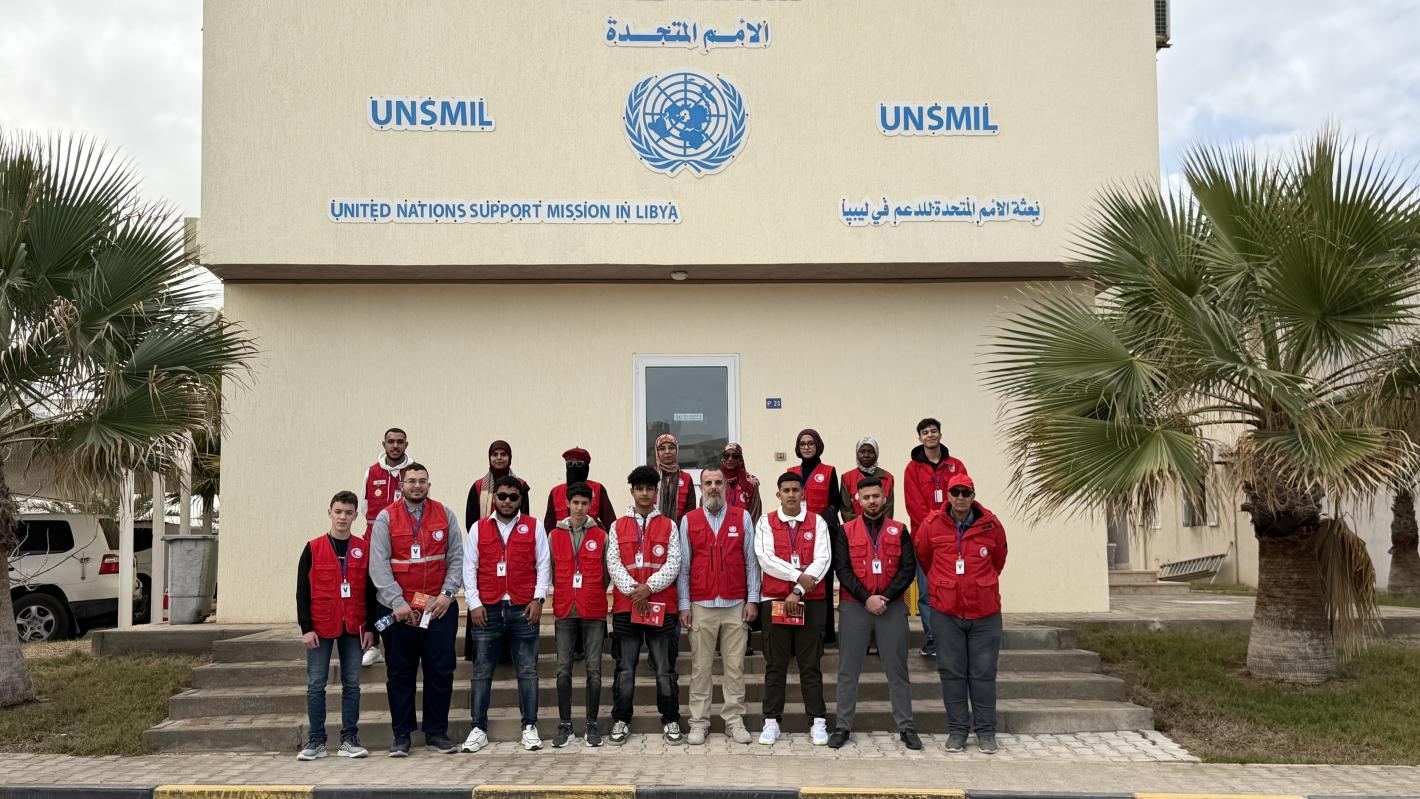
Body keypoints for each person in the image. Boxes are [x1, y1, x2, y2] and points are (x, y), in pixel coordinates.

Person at [366, 463, 463, 757]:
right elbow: (378, 566)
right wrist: (398, 604)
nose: (417, 486)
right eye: (411, 481)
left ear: (429, 485)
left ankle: (436, 732)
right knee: (400, 673)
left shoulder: (445, 514)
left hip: (438, 609)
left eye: (422, 481)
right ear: (401, 486)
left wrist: (447, 595)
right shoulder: (386, 518)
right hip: (400, 612)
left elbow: (457, 557)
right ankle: (402, 735)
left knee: (440, 671)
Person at [915, 474, 1006, 755]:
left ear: (973, 494)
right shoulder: (931, 525)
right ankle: (957, 731)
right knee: (952, 674)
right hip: (947, 612)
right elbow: (925, 558)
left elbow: (998, 559)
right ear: (948, 494)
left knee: (983, 674)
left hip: (984, 613)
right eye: (955, 492)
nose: (960, 498)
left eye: (966, 492)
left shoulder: (991, 525)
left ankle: (986, 732)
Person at [828, 477, 920, 750]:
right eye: (866, 497)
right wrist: (867, 598)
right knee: (847, 671)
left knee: (898, 670)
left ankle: (906, 727)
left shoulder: (899, 529)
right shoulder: (846, 531)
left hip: (891, 607)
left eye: (876, 496)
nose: (872, 501)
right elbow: (842, 569)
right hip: (856, 606)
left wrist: (886, 597)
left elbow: (908, 568)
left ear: (884, 498)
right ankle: (843, 726)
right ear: (858, 500)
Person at [460, 476, 550, 754]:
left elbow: (544, 565)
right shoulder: (478, 528)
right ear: (494, 498)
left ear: (521, 499)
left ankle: (529, 727)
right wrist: (473, 604)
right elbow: (469, 567)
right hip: (488, 609)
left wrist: (539, 600)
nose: (507, 501)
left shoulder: (534, 527)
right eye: (502, 496)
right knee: (481, 671)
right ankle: (478, 729)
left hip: (523, 609)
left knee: (527, 671)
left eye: (513, 497)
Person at [676, 469, 760, 745]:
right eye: (708, 483)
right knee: (701, 668)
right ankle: (699, 722)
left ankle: (734, 721)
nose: (713, 487)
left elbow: (751, 562)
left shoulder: (742, 516)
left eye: (718, 483)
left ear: (726, 486)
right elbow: (685, 566)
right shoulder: (689, 520)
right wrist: (684, 604)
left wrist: (752, 599)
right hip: (701, 604)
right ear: (700, 487)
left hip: (735, 603)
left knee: (734, 667)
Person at [605, 465, 684, 746]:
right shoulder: (617, 526)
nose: (645, 493)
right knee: (625, 668)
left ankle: (671, 719)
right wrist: (634, 591)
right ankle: (621, 720)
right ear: (632, 491)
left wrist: (647, 588)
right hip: (628, 608)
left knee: (664, 668)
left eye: (650, 488)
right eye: (640, 488)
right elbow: (613, 563)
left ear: (656, 491)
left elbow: (674, 563)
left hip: (660, 607)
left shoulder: (669, 525)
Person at [753, 471, 831, 747]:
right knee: (775, 665)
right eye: (785, 490)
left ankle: (818, 721)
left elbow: (823, 558)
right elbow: (766, 558)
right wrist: (798, 577)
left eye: (795, 490)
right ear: (778, 494)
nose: (790, 494)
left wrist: (798, 590)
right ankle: (771, 721)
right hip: (774, 601)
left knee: (811, 665)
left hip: (810, 601)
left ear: (803, 493)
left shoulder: (817, 522)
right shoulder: (766, 521)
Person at [296, 491, 375, 760]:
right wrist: (306, 627)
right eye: (338, 511)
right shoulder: (313, 547)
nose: (343, 517)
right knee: (316, 684)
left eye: (348, 512)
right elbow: (302, 592)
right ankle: (316, 741)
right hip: (320, 626)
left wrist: (371, 629)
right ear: (329, 512)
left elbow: (371, 591)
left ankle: (349, 740)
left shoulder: (363, 548)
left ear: (356, 515)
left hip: (354, 626)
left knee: (352, 684)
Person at [548, 482, 609, 748]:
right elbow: (549, 568)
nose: (580, 508)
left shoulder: (602, 535)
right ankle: (565, 725)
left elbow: (607, 573)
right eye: (576, 503)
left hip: (593, 607)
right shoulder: (554, 535)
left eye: (585, 503)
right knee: (563, 670)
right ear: (568, 504)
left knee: (594, 670)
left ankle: (592, 725)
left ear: (590, 505)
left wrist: (592, 590)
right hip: (564, 608)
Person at [902, 418, 969, 658]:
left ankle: (954, 637)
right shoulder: (912, 468)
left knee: (955, 587)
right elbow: (914, 504)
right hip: (926, 538)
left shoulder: (955, 465)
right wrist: (935, 526)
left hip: (955, 536)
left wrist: (950, 524)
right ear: (919, 438)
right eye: (925, 432)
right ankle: (933, 638)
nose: (930, 435)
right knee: (927, 591)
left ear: (940, 434)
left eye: (933, 431)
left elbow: (963, 496)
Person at [360, 427, 414, 666]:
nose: (395, 446)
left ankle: (410, 635)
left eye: (399, 442)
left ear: (406, 444)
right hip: (375, 538)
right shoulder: (372, 472)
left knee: (404, 585)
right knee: (371, 589)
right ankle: (372, 644)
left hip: (405, 540)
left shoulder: (413, 471)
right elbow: (364, 506)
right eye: (391, 442)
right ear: (383, 444)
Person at [788, 428, 840, 645]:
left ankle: (826, 633)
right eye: (803, 444)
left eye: (810, 443)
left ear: (817, 445)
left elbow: (834, 503)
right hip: (796, 532)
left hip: (822, 532)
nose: (807, 447)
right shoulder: (791, 470)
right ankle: (798, 628)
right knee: (798, 577)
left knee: (822, 581)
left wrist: (817, 521)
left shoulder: (828, 471)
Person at [545, 446, 617, 531]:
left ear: (586, 468)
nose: (574, 467)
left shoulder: (598, 489)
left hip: (591, 540)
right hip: (563, 540)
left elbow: (611, 524)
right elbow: (549, 526)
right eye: (570, 464)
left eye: (579, 464)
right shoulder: (555, 492)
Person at [465, 439, 531, 525]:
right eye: (495, 454)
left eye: (503, 454)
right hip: (484, 536)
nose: (499, 458)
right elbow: (471, 521)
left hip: (516, 536)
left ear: (510, 457)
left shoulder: (521, 485)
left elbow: (524, 517)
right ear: (489, 458)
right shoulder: (478, 486)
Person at [840, 437, 895, 523]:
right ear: (857, 454)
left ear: (876, 454)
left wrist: (880, 527)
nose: (866, 455)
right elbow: (846, 510)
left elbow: (888, 508)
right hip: (855, 531)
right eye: (862, 451)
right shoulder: (847, 478)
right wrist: (861, 528)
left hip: (881, 530)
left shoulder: (888, 477)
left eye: (870, 452)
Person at [651, 433, 698, 523]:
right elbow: (645, 503)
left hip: (680, 529)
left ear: (677, 450)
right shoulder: (651, 476)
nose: (667, 451)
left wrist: (676, 526)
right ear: (657, 452)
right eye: (662, 448)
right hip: (654, 528)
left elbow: (690, 508)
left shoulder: (686, 478)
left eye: (671, 448)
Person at [719, 442, 763, 521]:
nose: (730, 459)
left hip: (744, 528)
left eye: (735, 456)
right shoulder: (716, 480)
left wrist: (748, 530)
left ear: (740, 458)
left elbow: (755, 512)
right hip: (719, 529)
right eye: (727, 455)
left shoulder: (751, 482)